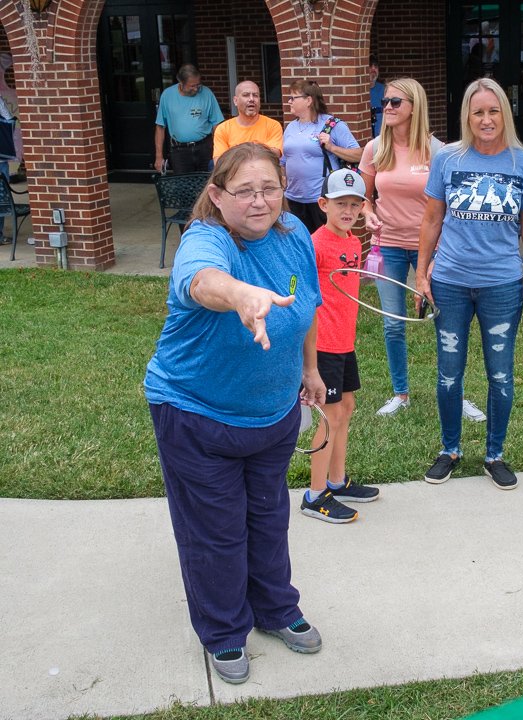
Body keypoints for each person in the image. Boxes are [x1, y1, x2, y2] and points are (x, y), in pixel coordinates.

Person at [144, 142, 324, 685]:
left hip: (272, 416)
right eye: (244, 191)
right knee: (215, 531)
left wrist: (310, 372)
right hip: (196, 415)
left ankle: (275, 609)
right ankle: (223, 632)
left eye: (269, 188)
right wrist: (244, 295)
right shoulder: (204, 240)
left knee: (268, 517)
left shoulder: (294, 239)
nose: (258, 200)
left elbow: (307, 305)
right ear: (218, 196)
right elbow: (201, 281)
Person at [415, 78, 523, 491]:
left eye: (493, 111)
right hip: (451, 282)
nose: (486, 120)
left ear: (504, 114)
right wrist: (422, 273)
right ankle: (449, 450)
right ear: (467, 117)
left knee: (501, 375)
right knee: (449, 373)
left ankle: (495, 455)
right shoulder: (448, 159)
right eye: (478, 112)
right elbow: (432, 219)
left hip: (502, 285)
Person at [359, 78, 486, 423]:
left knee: (447, 323)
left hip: (433, 249)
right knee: (393, 324)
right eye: (384, 102)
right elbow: (364, 198)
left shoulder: (438, 152)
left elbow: (447, 207)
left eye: (395, 102)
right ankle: (400, 393)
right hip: (388, 247)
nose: (386, 108)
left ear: (414, 106)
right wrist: (368, 215)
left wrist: (430, 264)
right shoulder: (374, 149)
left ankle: (454, 393)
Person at [301, 168, 381, 523]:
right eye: (339, 204)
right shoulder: (315, 244)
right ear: (323, 204)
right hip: (323, 345)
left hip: (344, 342)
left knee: (345, 406)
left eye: (354, 204)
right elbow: (304, 298)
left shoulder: (352, 241)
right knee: (329, 414)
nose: (347, 211)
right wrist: (309, 360)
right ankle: (315, 494)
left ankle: (337, 480)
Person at [282, 79, 363, 233]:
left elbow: (359, 154)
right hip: (293, 199)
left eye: (293, 98)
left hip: (321, 200)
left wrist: (332, 147)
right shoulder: (291, 127)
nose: (289, 102)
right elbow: (284, 160)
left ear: (308, 100)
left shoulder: (331, 125)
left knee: (324, 245)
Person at [154, 64, 224, 174]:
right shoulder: (167, 95)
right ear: (181, 83)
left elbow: (217, 124)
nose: (196, 89)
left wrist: (219, 150)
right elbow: (160, 127)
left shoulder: (207, 93)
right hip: (179, 150)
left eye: (198, 85)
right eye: (192, 86)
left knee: (207, 184)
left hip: (205, 147)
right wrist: (159, 157)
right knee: (184, 186)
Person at [213, 80, 284, 160]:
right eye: (246, 95)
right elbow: (219, 162)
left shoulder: (273, 125)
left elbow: (273, 156)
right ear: (235, 101)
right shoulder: (223, 129)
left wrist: (235, 154)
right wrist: (261, 150)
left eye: (255, 95)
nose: (251, 99)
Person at [369, 57, 386, 136]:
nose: (373, 69)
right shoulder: (359, 91)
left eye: (376, 66)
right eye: (370, 66)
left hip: (382, 135)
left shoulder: (384, 89)